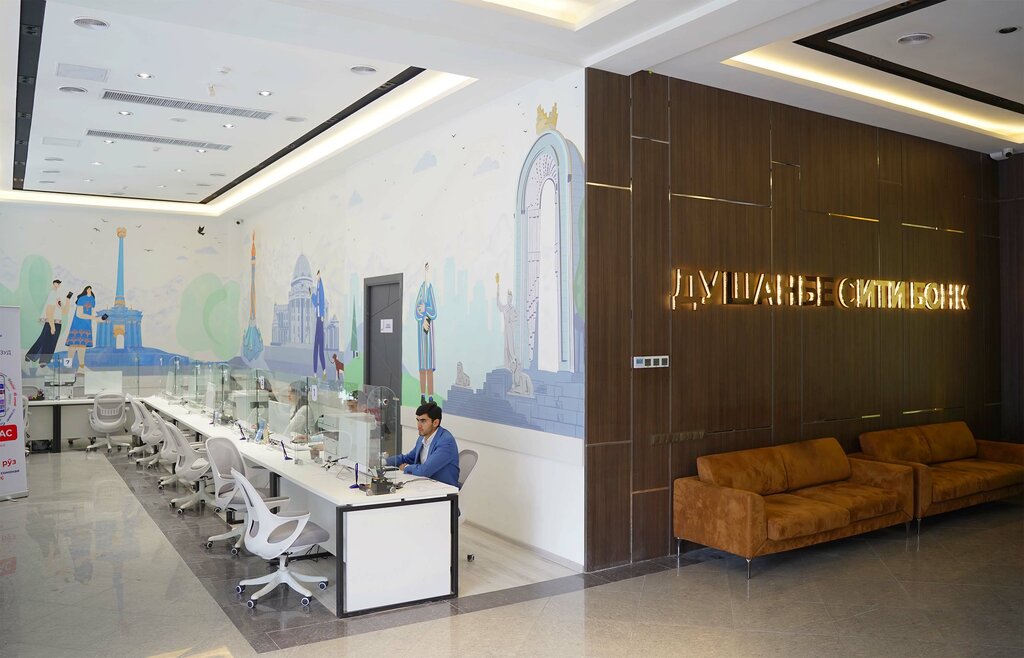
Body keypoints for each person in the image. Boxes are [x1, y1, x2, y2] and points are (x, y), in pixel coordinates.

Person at [386, 401, 460, 488]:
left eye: (423, 421)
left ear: (435, 423)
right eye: (418, 420)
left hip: (443, 490)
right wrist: (383, 461)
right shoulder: (422, 438)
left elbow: (425, 470)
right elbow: (408, 458)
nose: (419, 426)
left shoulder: (446, 442)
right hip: (425, 485)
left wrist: (406, 467)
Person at [26, 280, 66, 367]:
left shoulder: (57, 295)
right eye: (57, 283)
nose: (58, 285)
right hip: (52, 321)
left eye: (59, 283)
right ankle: (34, 357)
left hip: (57, 321)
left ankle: (38, 359)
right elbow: (49, 311)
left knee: (49, 341)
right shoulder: (53, 294)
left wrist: (67, 300)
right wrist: (52, 326)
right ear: (54, 284)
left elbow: (63, 310)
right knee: (45, 340)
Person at [414, 262, 437, 403]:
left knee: (429, 366)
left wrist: (426, 309)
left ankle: (430, 396)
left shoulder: (430, 291)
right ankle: (422, 395)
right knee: (422, 366)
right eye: (426, 271)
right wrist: (420, 313)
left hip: (429, 333)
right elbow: (416, 310)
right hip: (421, 333)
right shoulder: (421, 290)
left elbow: (434, 312)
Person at [65, 286, 100, 373]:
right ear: (86, 290)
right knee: (73, 345)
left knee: (82, 346)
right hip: (78, 324)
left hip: (86, 325)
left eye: (91, 289)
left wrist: (98, 319)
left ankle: (81, 367)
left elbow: (92, 312)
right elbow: (79, 314)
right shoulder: (81, 299)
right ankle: (67, 366)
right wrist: (93, 318)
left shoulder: (92, 300)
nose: (90, 290)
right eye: (88, 288)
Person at [310, 270, 327, 379]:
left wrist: (322, 316)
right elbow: (316, 302)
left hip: (320, 319)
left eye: (318, 276)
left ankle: (323, 370)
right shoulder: (317, 287)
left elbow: (321, 299)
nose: (317, 277)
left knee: (319, 348)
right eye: (317, 276)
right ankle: (316, 372)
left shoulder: (320, 287)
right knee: (316, 347)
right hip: (318, 319)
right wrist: (312, 295)